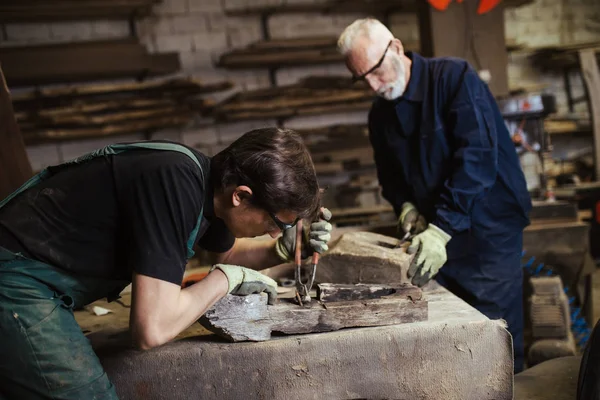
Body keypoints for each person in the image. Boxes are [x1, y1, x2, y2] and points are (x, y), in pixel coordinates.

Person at [0, 127, 332, 399]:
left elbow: (227, 256)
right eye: (277, 223)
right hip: (15, 279)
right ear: (241, 196)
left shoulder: (208, 188)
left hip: (34, 275)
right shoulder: (175, 184)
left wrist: (281, 254)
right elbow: (150, 329)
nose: (274, 234)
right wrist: (221, 280)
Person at [337, 18, 532, 373]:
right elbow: (391, 176)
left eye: (376, 71)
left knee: (494, 337)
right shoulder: (380, 115)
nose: (373, 85)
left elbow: (476, 159)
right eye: (361, 78)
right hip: (435, 239)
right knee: (454, 341)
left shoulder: (454, 79)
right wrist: (407, 208)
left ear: (395, 47)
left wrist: (442, 228)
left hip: (487, 232)